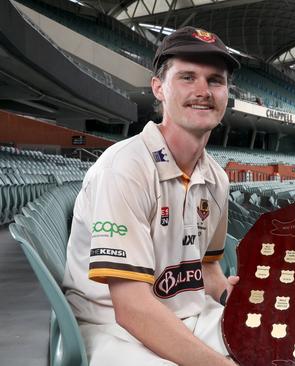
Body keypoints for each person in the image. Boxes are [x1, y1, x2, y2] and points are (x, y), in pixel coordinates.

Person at [62, 26, 240, 366]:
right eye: (188, 77)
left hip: (192, 316)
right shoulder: (124, 167)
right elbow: (131, 307)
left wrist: (233, 297)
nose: (203, 90)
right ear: (158, 88)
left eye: (215, 80)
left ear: (226, 93)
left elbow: (207, 267)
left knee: (276, 344)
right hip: (114, 328)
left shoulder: (216, 178)